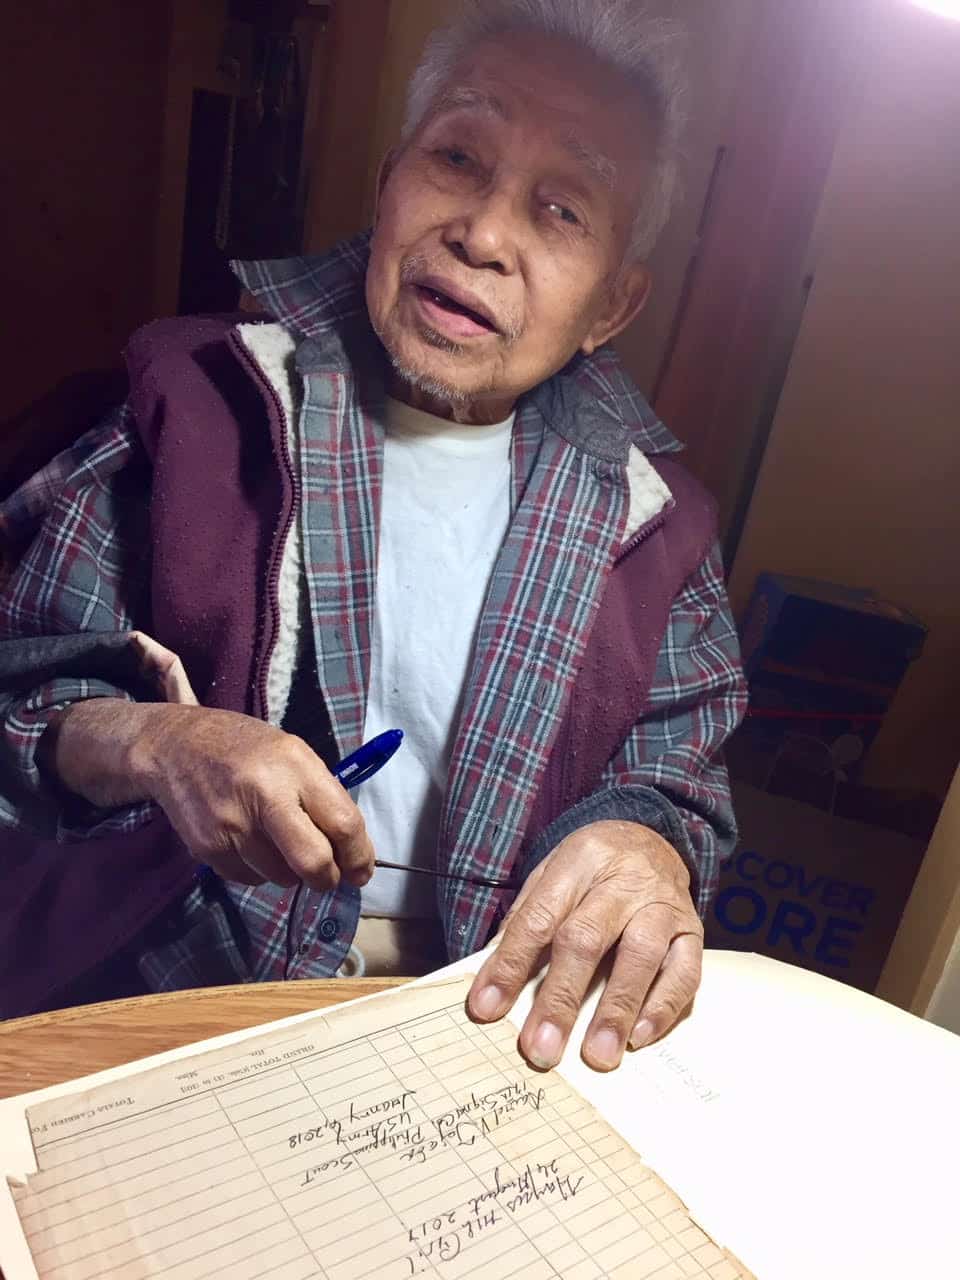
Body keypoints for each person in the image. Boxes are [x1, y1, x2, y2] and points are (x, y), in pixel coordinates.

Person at [0, 0, 746, 1073]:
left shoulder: (660, 524)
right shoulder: (195, 396)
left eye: (561, 210)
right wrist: (156, 743)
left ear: (611, 308)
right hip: (165, 998)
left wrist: (647, 843)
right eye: (458, 157)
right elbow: (21, 692)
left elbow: (680, 785)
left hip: (481, 1029)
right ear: (390, 179)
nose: (484, 236)